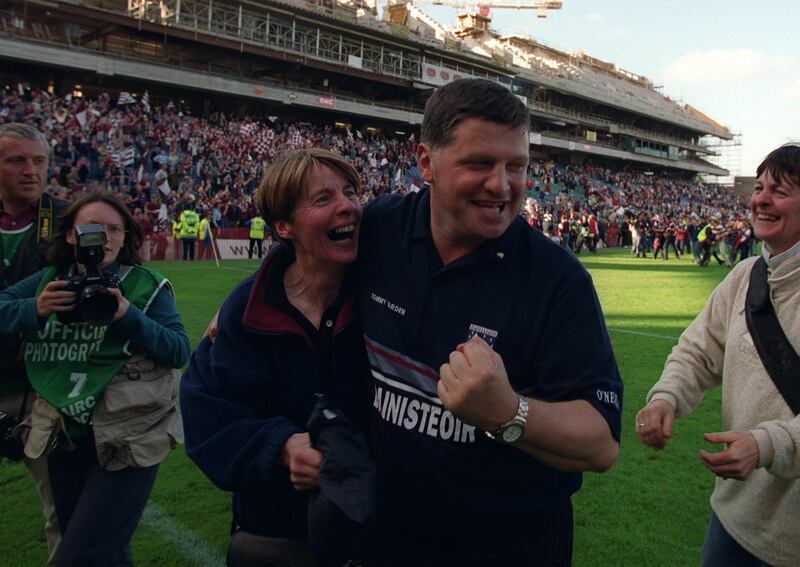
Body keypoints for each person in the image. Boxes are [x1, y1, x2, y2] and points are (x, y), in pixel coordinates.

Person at [356, 79, 622, 566]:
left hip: (510, 547)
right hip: (384, 538)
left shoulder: (558, 281)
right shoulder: (378, 229)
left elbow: (601, 444)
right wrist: (246, 300)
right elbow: (304, 254)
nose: (501, 185)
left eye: (516, 166)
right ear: (425, 162)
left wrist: (509, 413)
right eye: (479, 163)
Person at [181, 150, 367, 547]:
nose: (347, 207)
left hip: (375, 529)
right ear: (284, 226)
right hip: (276, 533)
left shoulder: (383, 294)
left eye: (351, 192)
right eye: (323, 199)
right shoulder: (247, 308)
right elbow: (206, 412)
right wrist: (280, 445)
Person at [0, 189, 189, 566]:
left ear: (125, 237)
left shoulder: (144, 286)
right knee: (103, 552)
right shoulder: (49, 281)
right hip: (62, 434)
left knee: (78, 556)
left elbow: (178, 350)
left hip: (128, 436)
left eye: (113, 229)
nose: (102, 238)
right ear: (70, 234)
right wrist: (34, 308)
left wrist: (127, 316)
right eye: (91, 228)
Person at [636, 144, 800, 567]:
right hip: (732, 521)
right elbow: (696, 352)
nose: (760, 198)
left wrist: (765, 445)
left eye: (779, 191)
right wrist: (665, 398)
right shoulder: (745, 276)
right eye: (760, 187)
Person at [0, 122, 66, 564]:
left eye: (39, 161)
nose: (31, 170)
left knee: (62, 513)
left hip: (43, 383)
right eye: (16, 160)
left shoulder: (67, 221)